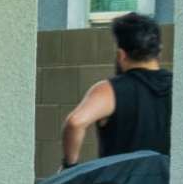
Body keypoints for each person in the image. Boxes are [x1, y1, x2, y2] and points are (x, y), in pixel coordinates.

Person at [62, 11, 173, 165]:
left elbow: (75, 122)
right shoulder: (179, 87)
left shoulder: (109, 90)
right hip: (169, 179)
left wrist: (69, 165)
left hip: (121, 180)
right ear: (158, 52)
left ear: (121, 54)